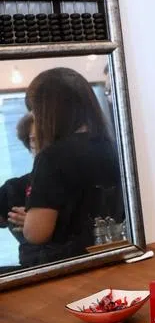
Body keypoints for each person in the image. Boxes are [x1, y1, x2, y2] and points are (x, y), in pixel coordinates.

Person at [15, 67, 123, 268]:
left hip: (69, 264)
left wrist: (29, 219)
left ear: (48, 112)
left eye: (36, 113)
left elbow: (37, 233)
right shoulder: (112, 147)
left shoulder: (51, 158)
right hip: (111, 255)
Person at [0, 113, 36, 249]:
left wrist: (36, 224)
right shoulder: (14, 188)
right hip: (33, 265)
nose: (40, 145)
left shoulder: (78, 181)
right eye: (33, 139)